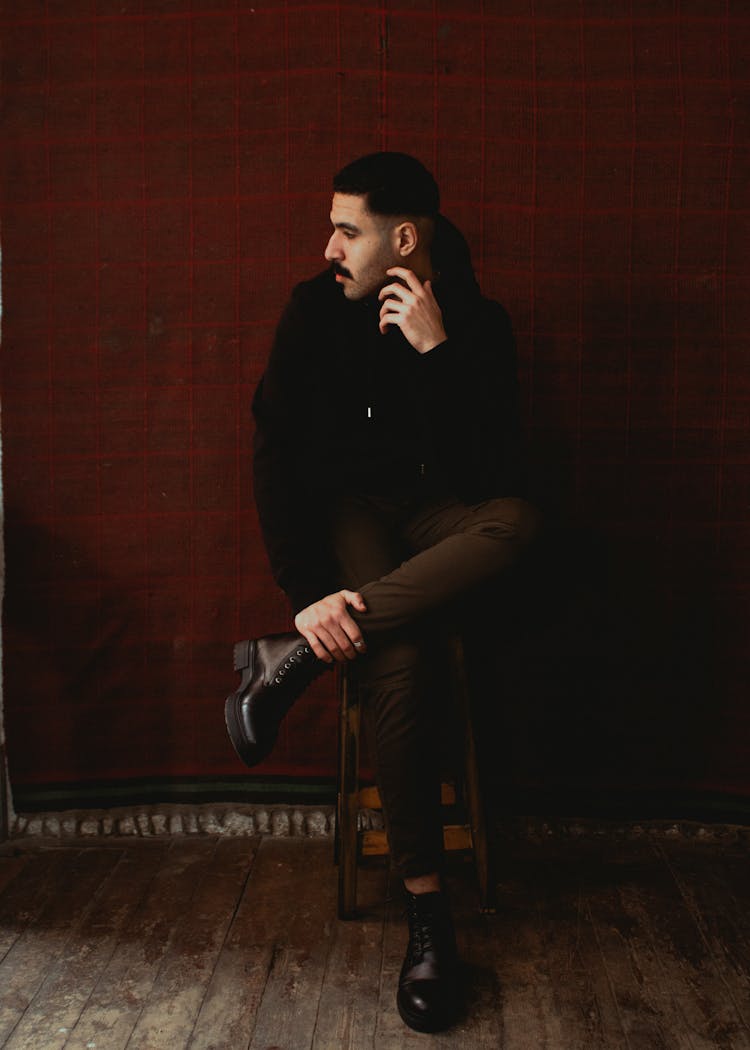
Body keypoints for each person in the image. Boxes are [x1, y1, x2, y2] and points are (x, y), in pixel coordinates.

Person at [225, 151, 538, 1033]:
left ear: (404, 238)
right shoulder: (313, 311)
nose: (330, 245)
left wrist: (441, 356)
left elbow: (498, 478)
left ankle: (288, 669)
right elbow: (274, 454)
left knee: (519, 521)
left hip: (446, 518)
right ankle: (428, 918)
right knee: (399, 661)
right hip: (354, 517)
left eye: (348, 230)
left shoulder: (482, 323)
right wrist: (305, 595)